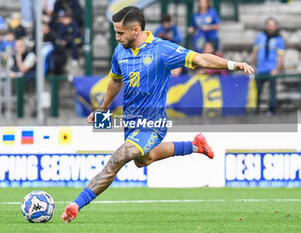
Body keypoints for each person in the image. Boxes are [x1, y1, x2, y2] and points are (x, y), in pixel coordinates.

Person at [61, 6, 254, 223]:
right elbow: (116, 80)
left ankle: (76, 204)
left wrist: (232, 64)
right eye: (115, 32)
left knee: (117, 159)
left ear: (136, 30)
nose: (117, 37)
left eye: (120, 33)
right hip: (131, 123)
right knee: (144, 160)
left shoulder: (162, 50)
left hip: (153, 123)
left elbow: (200, 59)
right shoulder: (120, 51)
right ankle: (194, 145)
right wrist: (103, 107)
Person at [252, 17, 284, 115]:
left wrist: (277, 69)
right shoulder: (260, 37)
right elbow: (255, 52)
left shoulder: (279, 39)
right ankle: (255, 110)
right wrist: (253, 65)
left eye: (272, 25)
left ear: (276, 26)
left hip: (271, 69)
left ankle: (271, 110)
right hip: (260, 69)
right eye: (269, 25)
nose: (270, 27)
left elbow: (281, 56)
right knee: (256, 91)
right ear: (266, 26)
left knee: (272, 92)